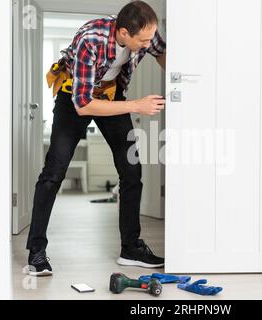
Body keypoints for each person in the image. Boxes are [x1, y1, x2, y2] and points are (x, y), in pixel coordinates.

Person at [26, 0, 166, 277]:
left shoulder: (146, 32)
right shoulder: (90, 39)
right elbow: (83, 105)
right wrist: (137, 106)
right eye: (143, 41)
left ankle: (131, 249)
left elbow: (162, 52)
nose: (148, 44)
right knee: (54, 172)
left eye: (150, 38)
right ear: (123, 33)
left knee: (131, 170)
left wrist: (176, 82)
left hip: (111, 94)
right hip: (75, 98)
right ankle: (36, 252)